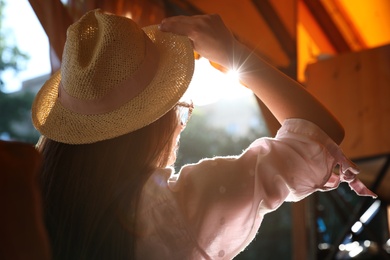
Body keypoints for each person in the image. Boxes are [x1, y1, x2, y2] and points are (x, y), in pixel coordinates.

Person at [32, 9, 376, 259]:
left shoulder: (27, 202)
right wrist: (236, 55)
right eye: (181, 108)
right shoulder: (171, 215)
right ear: (154, 122)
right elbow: (320, 137)